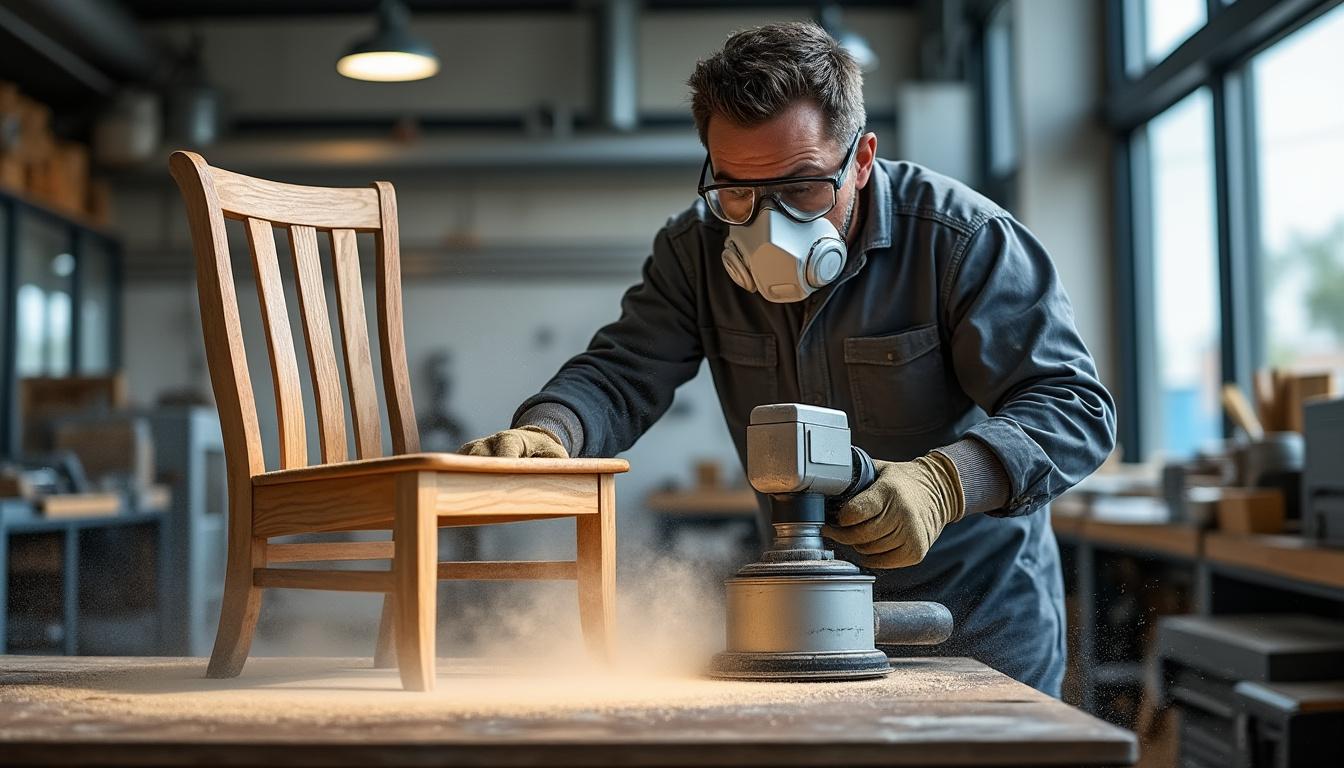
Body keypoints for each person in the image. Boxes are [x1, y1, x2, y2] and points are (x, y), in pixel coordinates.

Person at [462, 21, 1115, 696]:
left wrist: (947, 483)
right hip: (798, 621)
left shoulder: (963, 242)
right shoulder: (697, 251)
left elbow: (1073, 407)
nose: (768, 225)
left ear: (861, 159)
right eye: (738, 190)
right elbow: (623, 370)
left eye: (804, 187)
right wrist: (552, 430)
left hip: (975, 620)